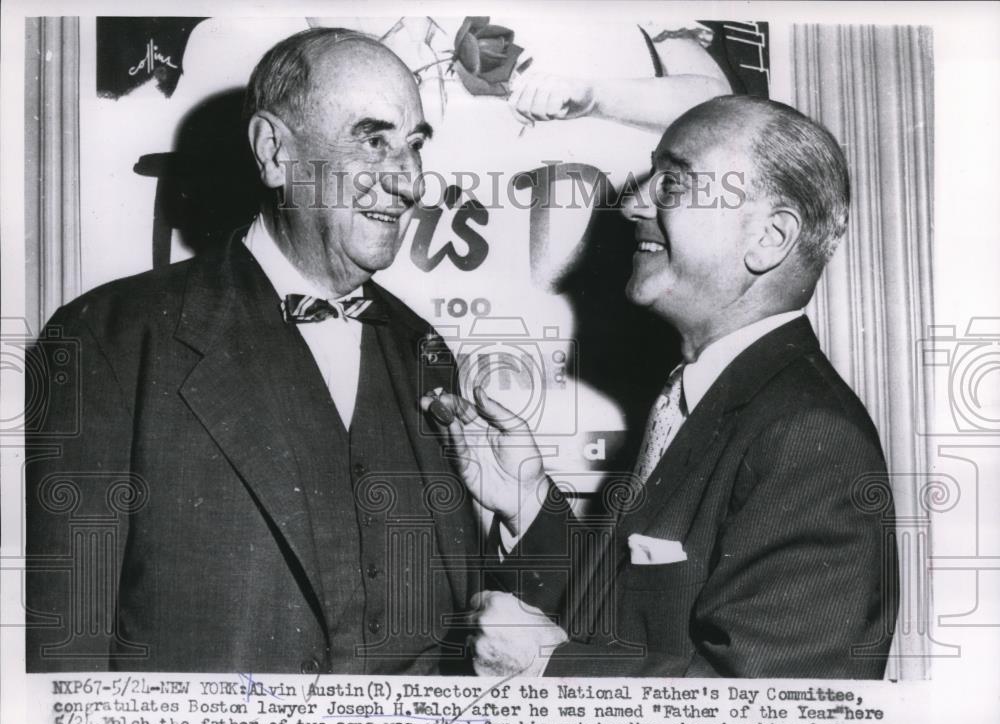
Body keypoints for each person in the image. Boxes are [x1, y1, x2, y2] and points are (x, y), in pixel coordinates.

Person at [25, 28, 481, 674]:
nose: (409, 183)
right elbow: (62, 662)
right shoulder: (108, 339)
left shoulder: (422, 351)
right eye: (372, 140)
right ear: (274, 152)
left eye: (412, 147)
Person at [425, 95, 899, 679]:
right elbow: (631, 624)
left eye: (672, 183)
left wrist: (546, 667)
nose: (632, 204)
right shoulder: (700, 395)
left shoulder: (809, 438)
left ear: (770, 238)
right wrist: (526, 500)